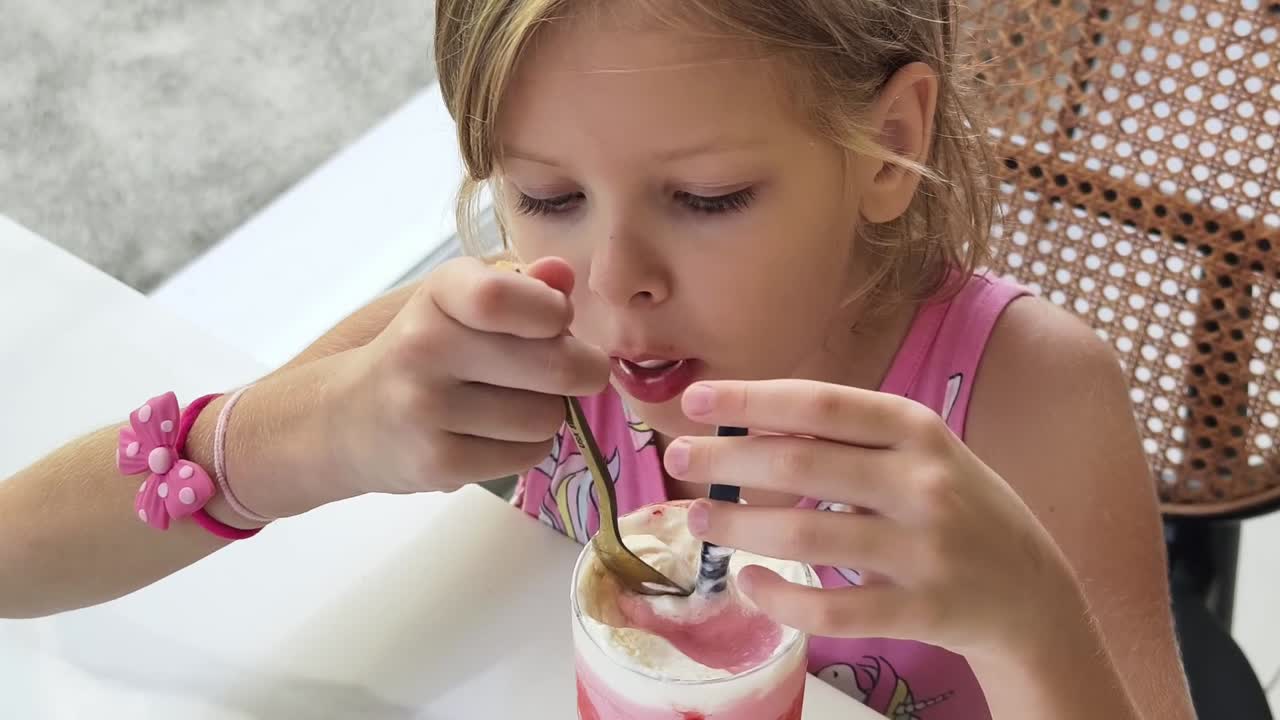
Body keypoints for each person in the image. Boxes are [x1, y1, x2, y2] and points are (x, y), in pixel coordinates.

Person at [1, 1, 1195, 718]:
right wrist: (304, 431)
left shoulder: (1023, 396)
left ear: (885, 145)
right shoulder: (533, 324)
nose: (615, 278)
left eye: (706, 197)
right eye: (546, 193)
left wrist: (1028, 618)